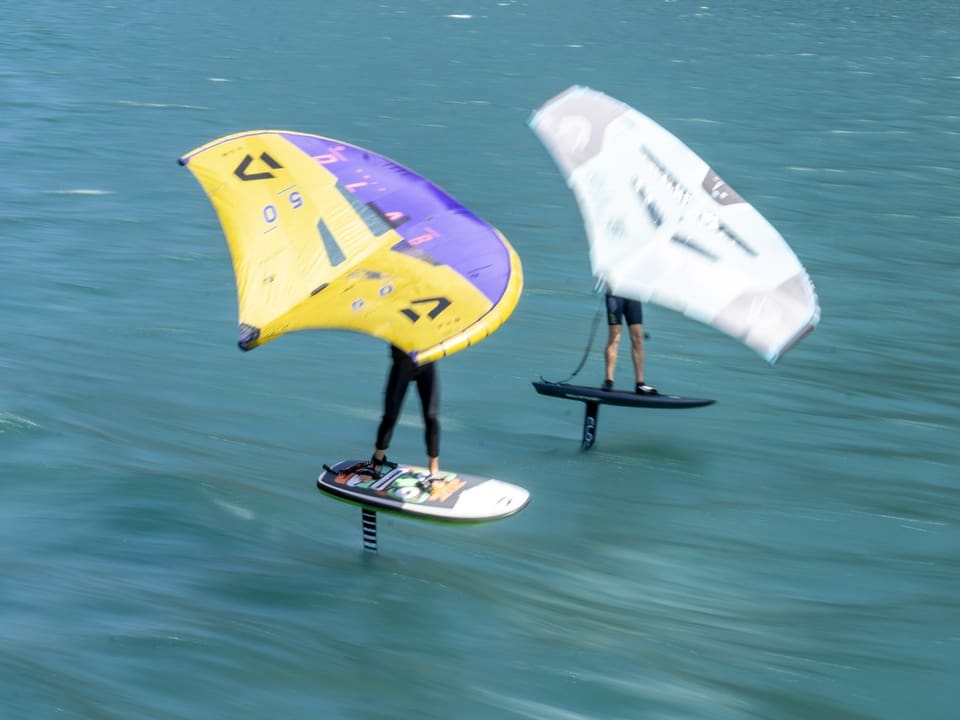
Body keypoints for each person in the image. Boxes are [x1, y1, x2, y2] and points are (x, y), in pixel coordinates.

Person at [370, 344, 440, 491]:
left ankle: (434, 469)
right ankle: (377, 461)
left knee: (431, 416)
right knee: (390, 416)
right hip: (402, 362)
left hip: (427, 360)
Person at [602, 292, 658, 395]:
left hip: (633, 294)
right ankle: (609, 380)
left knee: (637, 337)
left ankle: (640, 384)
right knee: (615, 336)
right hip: (615, 294)